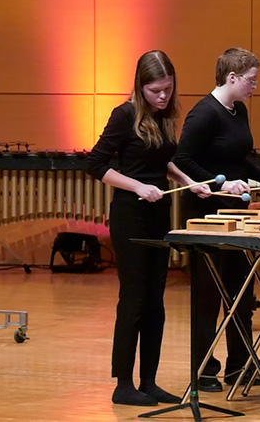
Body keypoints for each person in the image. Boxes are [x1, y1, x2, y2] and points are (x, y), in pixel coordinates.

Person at [86, 50, 211, 406]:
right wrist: (137, 186)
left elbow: (162, 159)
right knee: (134, 299)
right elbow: (95, 164)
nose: (163, 96)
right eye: (156, 90)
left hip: (158, 217)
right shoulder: (124, 115)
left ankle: (149, 381)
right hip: (130, 216)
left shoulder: (163, 116)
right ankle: (123, 383)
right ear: (140, 87)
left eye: (168, 89)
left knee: (156, 301)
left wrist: (190, 180)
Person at [173, 47, 260, 392]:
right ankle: (204, 370)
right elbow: (183, 161)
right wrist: (220, 182)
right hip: (206, 215)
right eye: (251, 80)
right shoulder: (203, 114)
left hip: (236, 214)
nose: (255, 86)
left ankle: (240, 367)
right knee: (209, 296)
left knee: (242, 292)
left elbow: (240, 161)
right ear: (232, 77)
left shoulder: (238, 111)